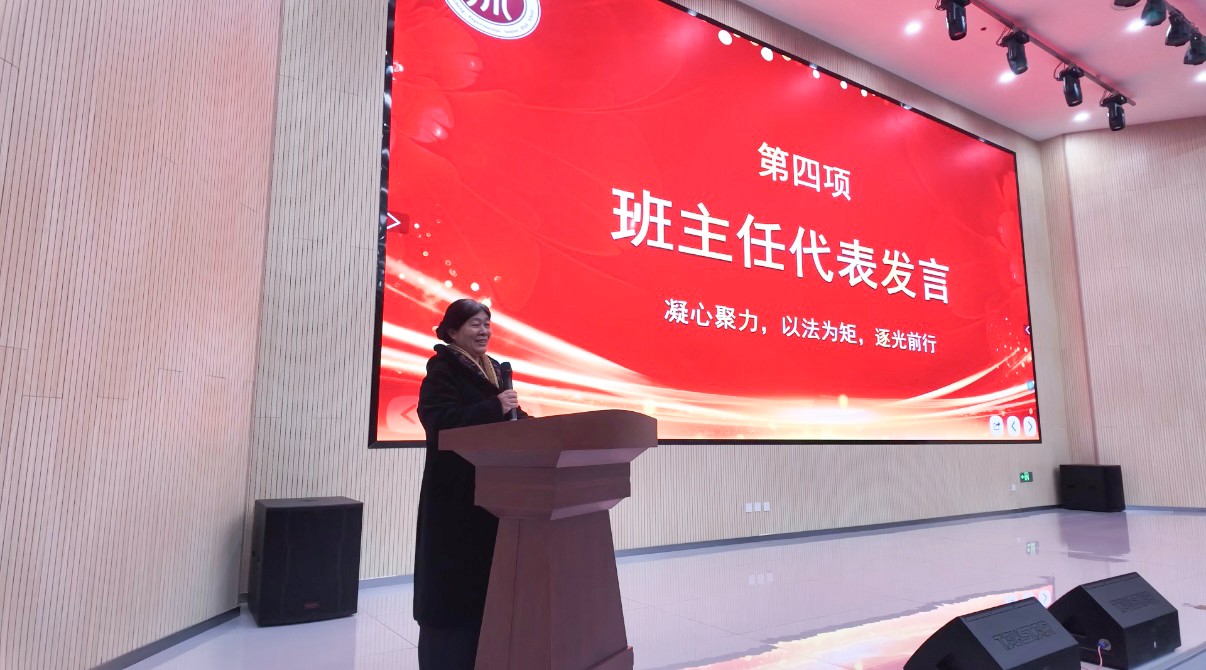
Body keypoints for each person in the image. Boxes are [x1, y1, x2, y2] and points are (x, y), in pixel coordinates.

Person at [413, 298, 527, 670]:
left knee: (486, 585)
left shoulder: (495, 372)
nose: (484, 331)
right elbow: (438, 421)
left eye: (487, 324)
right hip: (455, 496)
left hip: (493, 495)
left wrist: (543, 428)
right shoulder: (443, 369)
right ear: (452, 331)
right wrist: (494, 407)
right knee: (453, 588)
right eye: (475, 324)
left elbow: (512, 419)